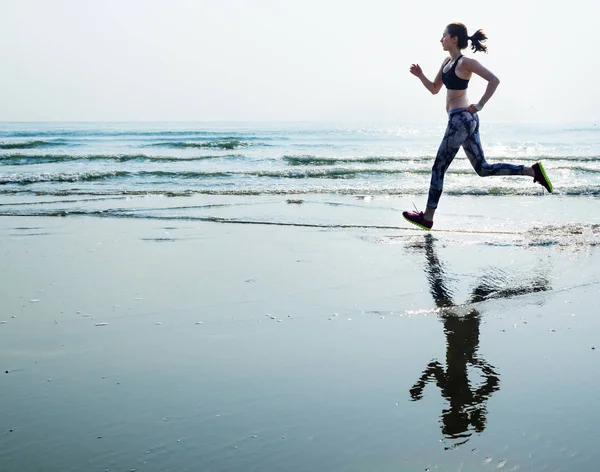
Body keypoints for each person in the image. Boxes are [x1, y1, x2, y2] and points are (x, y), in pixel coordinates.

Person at [402, 23, 553, 231]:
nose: (441, 39)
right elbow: (435, 89)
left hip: (461, 120)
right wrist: (420, 76)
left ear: (454, 39)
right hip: (463, 121)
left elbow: (494, 80)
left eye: (444, 36)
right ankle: (531, 171)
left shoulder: (466, 63)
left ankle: (427, 217)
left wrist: (480, 104)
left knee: (438, 167)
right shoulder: (446, 62)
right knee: (482, 168)